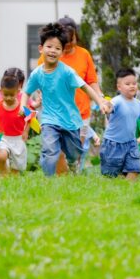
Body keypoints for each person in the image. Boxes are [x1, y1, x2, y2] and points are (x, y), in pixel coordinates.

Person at [24, 23, 111, 176]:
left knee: (73, 154)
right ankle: (48, 181)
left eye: (57, 48)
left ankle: (73, 163)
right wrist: (22, 106)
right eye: (49, 47)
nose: (53, 50)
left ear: (62, 52)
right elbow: (26, 92)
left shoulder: (67, 72)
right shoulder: (37, 73)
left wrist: (100, 102)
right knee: (50, 151)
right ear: (41, 49)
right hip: (49, 119)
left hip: (70, 120)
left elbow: (86, 86)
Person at [101, 68, 140, 180]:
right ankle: (113, 189)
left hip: (131, 143)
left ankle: (126, 188)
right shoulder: (117, 100)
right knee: (110, 175)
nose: (132, 86)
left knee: (135, 169)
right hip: (113, 143)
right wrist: (107, 108)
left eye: (134, 83)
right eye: (127, 84)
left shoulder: (139, 104)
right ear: (119, 87)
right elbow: (110, 107)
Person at [0, 68, 30, 176]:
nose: (8, 98)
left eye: (12, 95)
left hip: (18, 139)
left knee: (15, 170)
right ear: (0, 91)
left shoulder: (22, 107)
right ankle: (3, 175)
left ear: (18, 92)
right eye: (5, 94)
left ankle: (11, 181)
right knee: (1, 156)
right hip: (2, 137)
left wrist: (26, 131)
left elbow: (30, 118)